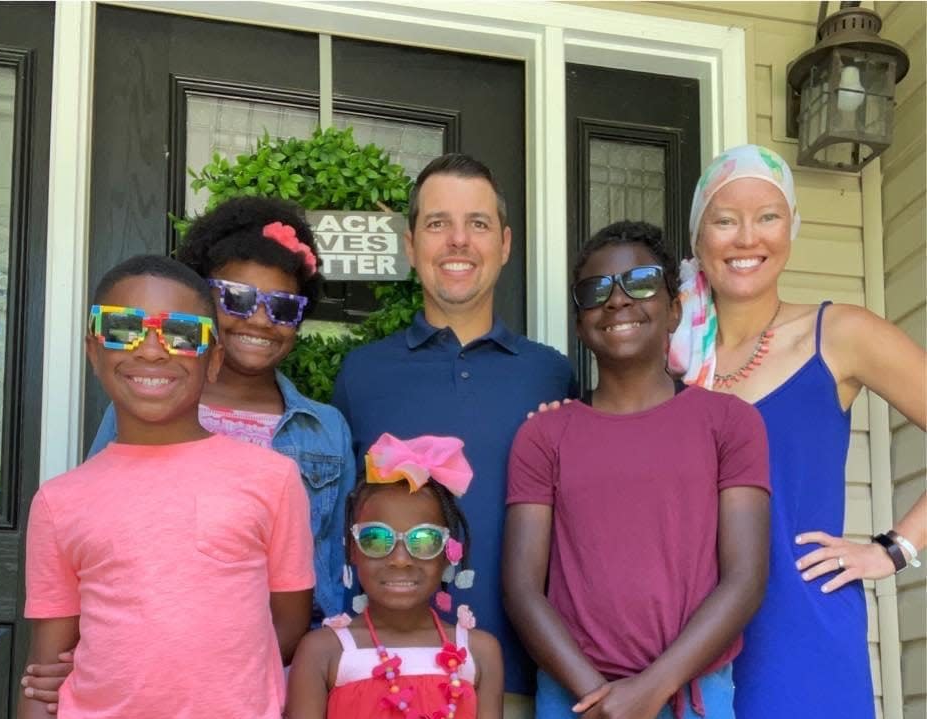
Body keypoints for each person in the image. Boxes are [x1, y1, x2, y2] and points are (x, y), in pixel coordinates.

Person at [22, 197, 356, 712]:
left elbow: (324, 573)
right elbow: (100, 530)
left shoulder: (322, 430)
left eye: (283, 307)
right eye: (237, 299)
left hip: (259, 683)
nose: (261, 318)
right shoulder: (140, 405)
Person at [668, 143, 927, 718]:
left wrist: (895, 549)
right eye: (725, 219)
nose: (746, 238)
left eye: (768, 216)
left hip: (800, 637)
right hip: (683, 642)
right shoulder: (672, 359)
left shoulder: (838, 333)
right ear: (698, 237)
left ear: (791, 229)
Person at [332, 153, 575, 713]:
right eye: (438, 224)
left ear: (506, 244)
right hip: (379, 678)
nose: (459, 241)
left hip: (521, 680)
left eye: (479, 224)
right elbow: (336, 530)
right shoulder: (363, 375)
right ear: (410, 245)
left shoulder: (551, 373)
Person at [504, 221, 770, 719]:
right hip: (573, 696)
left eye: (641, 282)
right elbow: (522, 589)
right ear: (581, 322)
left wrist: (650, 689)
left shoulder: (730, 423)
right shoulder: (544, 436)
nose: (618, 299)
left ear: (673, 310)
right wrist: (600, 699)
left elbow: (746, 578)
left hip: (693, 692)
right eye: (596, 289)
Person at [289, 433, 504, 718]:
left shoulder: (480, 652)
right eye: (376, 539)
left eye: (424, 540)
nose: (400, 560)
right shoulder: (322, 652)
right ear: (353, 550)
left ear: (448, 551)